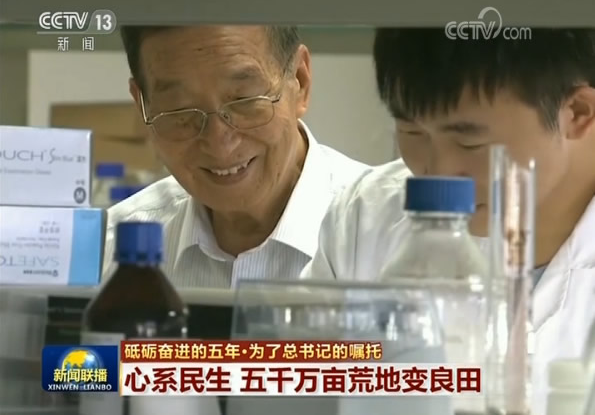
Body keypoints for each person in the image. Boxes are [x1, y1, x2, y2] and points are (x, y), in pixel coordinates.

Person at [302, 28, 595, 415]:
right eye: (412, 131)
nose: (437, 172)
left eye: (470, 142)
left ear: (577, 112)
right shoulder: (364, 218)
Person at [103, 25, 369, 287]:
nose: (220, 145)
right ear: (142, 106)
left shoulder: (380, 234)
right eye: (180, 111)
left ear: (300, 81)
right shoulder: (107, 259)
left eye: (244, 100)